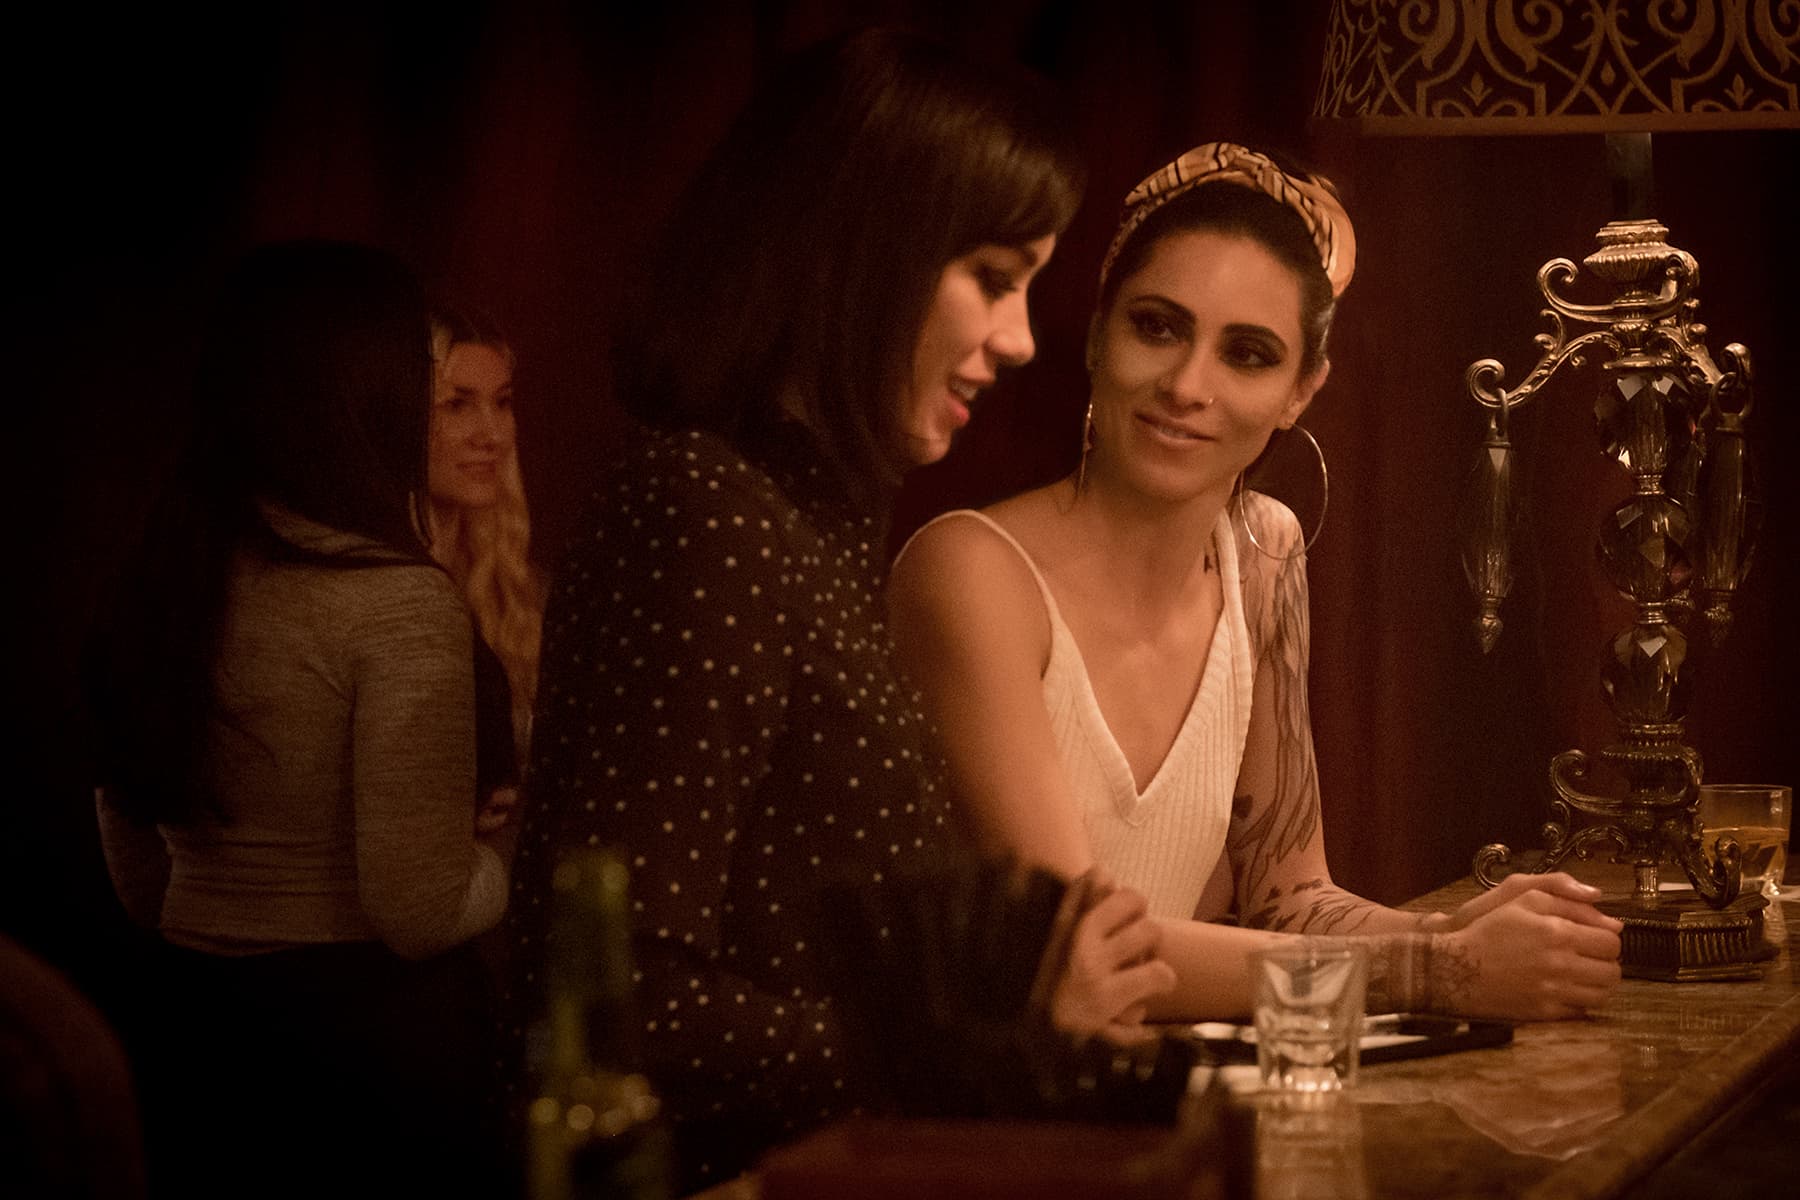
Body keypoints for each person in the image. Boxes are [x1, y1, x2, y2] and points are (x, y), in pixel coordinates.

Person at [505, 28, 1174, 1193]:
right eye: (994, 278)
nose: (1021, 340)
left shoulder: (805, 513)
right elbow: (613, 997)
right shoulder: (703, 507)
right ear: (870, 245)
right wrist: (992, 1026)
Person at [889, 142, 1624, 1024]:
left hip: (1165, 1085)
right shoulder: (970, 572)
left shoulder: (1264, 551)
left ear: (1301, 390)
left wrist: (1460, 932)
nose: (1186, 385)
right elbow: (1072, 945)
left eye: (1247, 354)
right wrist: (1438, 969)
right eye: (1157, 327)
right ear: (1095, 334)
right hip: (978, 1098)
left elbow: (1290, 899)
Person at [84, 240, 513, 1197]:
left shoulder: (164, 581)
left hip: (189, 1030)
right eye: (424, 378)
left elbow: (141, 880)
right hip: (367, 1055)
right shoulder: (395, 602)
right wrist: (516, 844)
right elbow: (417, 912)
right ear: (366, 395)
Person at [426, 302, 544, 827]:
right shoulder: (367, 597)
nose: (491, 434)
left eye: (502, 403)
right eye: (457, 405)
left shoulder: (522, 592)